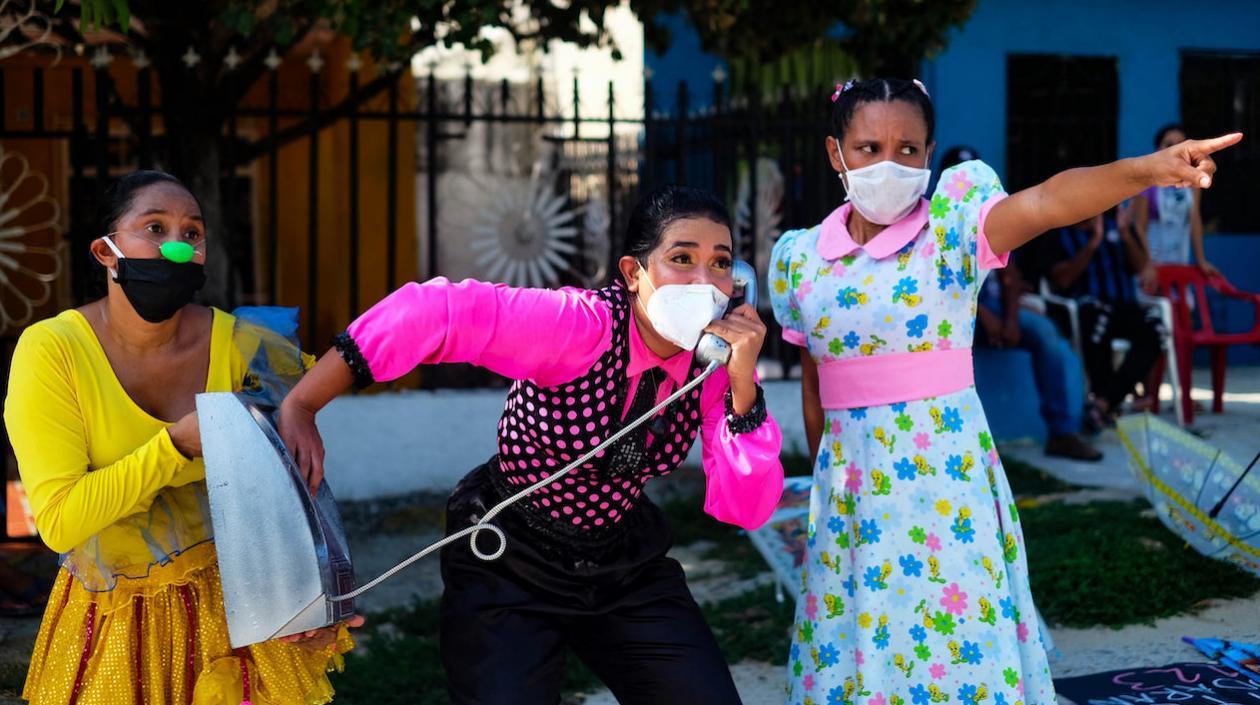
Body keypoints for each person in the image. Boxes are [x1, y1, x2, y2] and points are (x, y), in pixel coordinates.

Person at [769, 77, 1240, 705]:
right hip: (850, 494)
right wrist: (824, 482)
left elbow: (1048, 201)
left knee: (955, 641)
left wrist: (1144, 171)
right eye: (869, 147)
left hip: (945, 488)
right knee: (858, 644)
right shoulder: (799, 259)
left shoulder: (952, 227)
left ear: (930, 154)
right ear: (836, 154)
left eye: (909, 150)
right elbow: (814, 385)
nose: (890, 163)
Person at [278, 184, 786, 705]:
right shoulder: (576, 327)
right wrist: (303, 404)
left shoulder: (714, 367)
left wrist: (744, 386)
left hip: (622, 563)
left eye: (721, 264)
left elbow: (745, 509)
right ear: (634, 274)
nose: (705, 282)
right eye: (682, 258)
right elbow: (435, 312)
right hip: (509, 560)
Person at [4, 171, 360, 705]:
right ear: (105, 251)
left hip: (245, 608)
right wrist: (175, 448)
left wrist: (319, 595)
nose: (178, 245)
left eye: (192, 233)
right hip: (115, 619)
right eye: (155, 227)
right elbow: (59, 521)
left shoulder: (249, 346)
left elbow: (299, 490)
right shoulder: (53, 352)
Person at [940, 147, 1101, 460]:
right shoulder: (936, 224)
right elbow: (946, 288)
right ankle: (964, 440)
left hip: (997, 313)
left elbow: (1009, 275)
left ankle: (1062, 432)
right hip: (952, 317)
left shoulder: (992, 216)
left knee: (1045, 335)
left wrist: (1011, 320)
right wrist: (984, 317)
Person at [1046, 209, 1166, 429]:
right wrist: (1093, 243)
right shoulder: (1060, 232)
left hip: (1124, 307)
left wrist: (1126, 236)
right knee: (1098, 322)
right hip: (1088, 307)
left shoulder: (1117, 226)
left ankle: (1105, 402)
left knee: (1155, 331)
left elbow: (1142, 270)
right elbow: (1062, 279)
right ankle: (1104, 402)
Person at [1133, 123, 1220, 276]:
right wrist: (1146, 265)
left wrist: (1201, 260)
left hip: (1181, 262)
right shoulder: (1145, 181)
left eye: (1179, 145)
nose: (1174, 150)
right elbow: (1139, 227)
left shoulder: (1193, 181)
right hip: (1152, 267)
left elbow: (1194, 220)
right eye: (1168, 145)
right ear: (1157, 149)